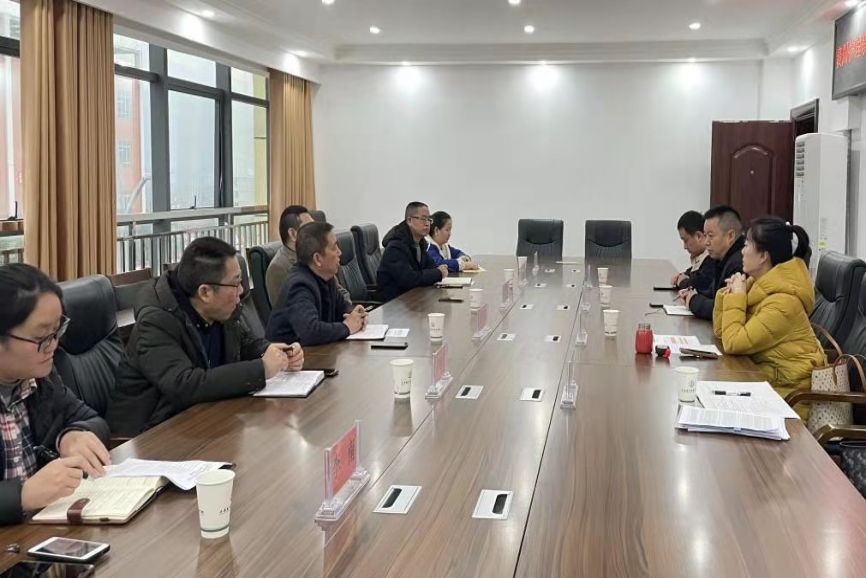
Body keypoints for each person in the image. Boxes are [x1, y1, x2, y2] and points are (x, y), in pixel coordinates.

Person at [108, 237, 305, 437]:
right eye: (236, 283)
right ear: (205, 292)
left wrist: (273, 351)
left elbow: (245, 344)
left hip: (203, 420)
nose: (241, 290)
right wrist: (261, 369)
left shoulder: (221, 308)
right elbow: (185, 385)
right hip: (149, 435)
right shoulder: (156, 322)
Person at [0, 264, 111, 525]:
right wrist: (21, 496)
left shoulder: (41, 378)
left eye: (57, 331)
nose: (53, 345)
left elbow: (92, 420)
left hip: (33, 531)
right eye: (42, 337)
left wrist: (71, 436)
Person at [713, 217, 825, 418]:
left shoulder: (783, 303)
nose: (742, 251)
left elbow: (733, 343)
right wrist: (728, 294)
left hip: (789, 403)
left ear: (763, 256)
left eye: (747, 245)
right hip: (767, 388)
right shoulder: (758, 286)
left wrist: (737, 298)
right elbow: (723, 334)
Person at [267, 222, 369, 346]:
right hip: (288, 355)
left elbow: (342, 309)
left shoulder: (326, 277)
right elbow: (310, 332)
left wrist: (356, 314)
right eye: (334, 248)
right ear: (317, 259)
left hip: (317, 352)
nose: (339, 252)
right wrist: (347, 327)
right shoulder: (299, 285)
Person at [266, 205, 352, 307]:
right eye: (309, 228)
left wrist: (348, 310)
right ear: (293, 234)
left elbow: (340, 292)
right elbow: (291, 311)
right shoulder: (278, 268)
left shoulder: (316, 256)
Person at [680, 205, 745, 320]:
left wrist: (694, 301)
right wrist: (692, 293)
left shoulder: (738, 264)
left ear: (730, 236)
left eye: (710, 236)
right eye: (705, 236)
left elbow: (722, 309)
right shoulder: (722, 258)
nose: (706, 242)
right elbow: (713, 292)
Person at [377, 202, 449, 302]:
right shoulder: (395, 247)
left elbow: (431, 267)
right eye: (423, 219)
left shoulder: (420, 243)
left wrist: (438, 271)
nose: (427, 223)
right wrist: (438, 273)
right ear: (409, 221)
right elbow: (410, 279)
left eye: (429, 219)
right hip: (394, 304)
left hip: (411, 299)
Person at [670, 210, 715, 295]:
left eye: (686, 240)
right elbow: (692, 274)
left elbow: (699, 283)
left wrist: (683, 282)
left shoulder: (712, 259)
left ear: (698, 236)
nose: (685, 247)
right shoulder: (701, 258)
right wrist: (681, 276)